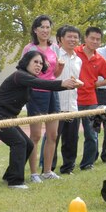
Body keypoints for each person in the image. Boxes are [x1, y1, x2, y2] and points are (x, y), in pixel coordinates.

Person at [0, 50, 82, 189]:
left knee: (28, 144)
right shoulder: (20, 75)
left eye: (41, 63)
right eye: (35, 62)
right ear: (26, 62)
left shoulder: (27, 80)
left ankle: (9, 176)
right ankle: (15, 182)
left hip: (9, 117)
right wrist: (63, 83)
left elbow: (44, 86)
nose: (39, 66)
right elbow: (43, 84)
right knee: (19, 143)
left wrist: (67, 85)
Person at [22, 15, 64, 182]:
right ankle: (33, 173)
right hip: (36, 92)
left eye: (48, 27)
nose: (45, 30)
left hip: (53, 91)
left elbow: (55, 74)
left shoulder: (55, 47)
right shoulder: (29, 48)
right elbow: (25, 72)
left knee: (53, 134)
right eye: (42, 27)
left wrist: (60, 68)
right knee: (36, 135)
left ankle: (47, 171)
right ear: (35, 30)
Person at [74, 27, 106, 170]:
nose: (95, 41)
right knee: (71, 135)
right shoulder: (74, 52)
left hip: (91, 101)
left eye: (98, 39)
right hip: (72, 99)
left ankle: (87, 164)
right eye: (92, 38)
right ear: (85, 38)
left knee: (92, 135)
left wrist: (98, 83)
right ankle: (68, 166)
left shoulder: (100, 59)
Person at [53, 25, 84, 175]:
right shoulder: (55, 56)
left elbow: (75, 79)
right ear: (60, 39)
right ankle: (49, 168)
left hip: (72, 105)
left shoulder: (78, 60)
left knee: (71, 139)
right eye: (69, 37)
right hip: (57, 103)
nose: (72, 40)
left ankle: (68, 168)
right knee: (53, 138)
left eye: (75, 37)